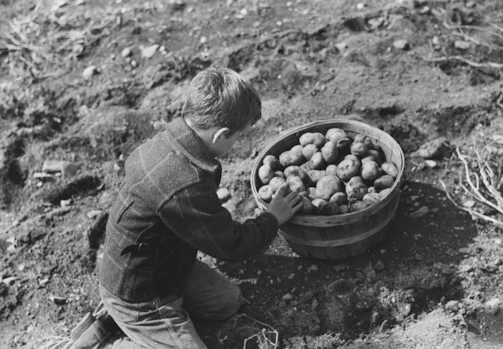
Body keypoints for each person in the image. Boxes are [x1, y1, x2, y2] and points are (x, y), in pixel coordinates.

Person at [98, 67, 303, 348]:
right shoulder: (184, 183)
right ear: (220, 135)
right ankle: (125, 326)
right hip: (142, 294)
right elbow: (232, 245)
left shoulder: (172, 141)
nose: (239, 143)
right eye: (239, 136)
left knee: (228, 302)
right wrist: (272, 219)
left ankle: (132, 318)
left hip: (164, 263)